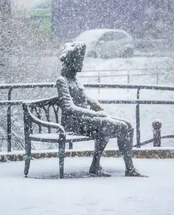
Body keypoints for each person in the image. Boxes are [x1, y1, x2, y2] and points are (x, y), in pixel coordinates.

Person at [56, 42, 145, 177]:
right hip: (73, 122)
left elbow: (83, 98)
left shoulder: (75, 80)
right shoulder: (62, 81)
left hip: (85, 119)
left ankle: (129, 167)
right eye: (80, 60)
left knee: (127, 126)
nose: (82, 64)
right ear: (72, 61)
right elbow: (69, 107)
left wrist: (93, 103)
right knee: (107, 124)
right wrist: (94, 114)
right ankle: (95, 165)